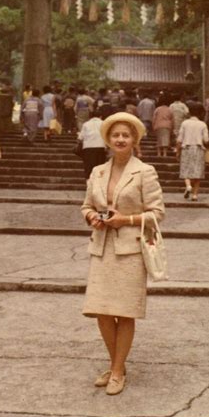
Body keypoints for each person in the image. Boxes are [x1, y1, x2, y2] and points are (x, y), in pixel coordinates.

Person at [81, 112, 165, 396]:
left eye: (125, 136)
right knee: (101, 312)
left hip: (130, 251)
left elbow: (157, 214)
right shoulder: (98, 172)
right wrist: (92, 216)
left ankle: (117, 370)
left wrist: (125, 220)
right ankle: (116, 363)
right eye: (115, 135)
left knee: (124, 312)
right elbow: (85, 206)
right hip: (102, 248)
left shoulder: (145, 172)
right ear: (107, 139)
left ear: (134, 140)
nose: (120, 139)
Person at [176, 101, 209, 201]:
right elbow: (206, 140)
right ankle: (195, 195)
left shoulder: (185, 123)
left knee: (185, 169)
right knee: (198, 171)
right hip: (199, 149)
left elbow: (179, 139)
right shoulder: (202, 124)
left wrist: (177, 151)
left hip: (186, 148)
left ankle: (188, 186)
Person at [78, 110, 107, 179]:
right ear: (101, 116)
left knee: (89, 167)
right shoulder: (103, 123)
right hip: (100, 147)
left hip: (88, 148)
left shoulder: (86, 124)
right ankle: (99, 182)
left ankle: (89, 183)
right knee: (100, 167)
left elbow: (80, 137)